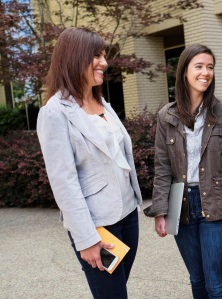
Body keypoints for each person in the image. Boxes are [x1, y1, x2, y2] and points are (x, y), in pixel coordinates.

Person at [144, 44, 222, 298]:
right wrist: (160, 211)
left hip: (218, 203)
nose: (205, 73)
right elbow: (162, 167)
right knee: (197, 280)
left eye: (210, 67)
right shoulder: (166, 115)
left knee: (216, 284)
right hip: (182, 204)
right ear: (184, 71)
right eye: (199, 66)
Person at [37, 27, 142, 299]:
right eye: (97, 55)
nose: (105, 63)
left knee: (119, 289)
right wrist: (86, 239)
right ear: (74, 57)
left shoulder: (102, 102)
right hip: (97, 225)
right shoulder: (54, 112)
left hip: (128, 215)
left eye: (104, 55)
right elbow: (64, 182)